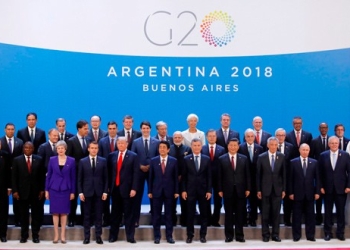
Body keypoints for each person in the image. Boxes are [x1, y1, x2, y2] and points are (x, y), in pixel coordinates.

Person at [218, 138, 251, 243]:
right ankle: (228, 235)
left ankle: (240, 235)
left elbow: (247, 175)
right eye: (231, 145)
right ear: (228, 146)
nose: (233, 147)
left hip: (241, 190)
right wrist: (220, 189)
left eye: (235, 145)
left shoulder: (244, 158)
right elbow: (219, 176)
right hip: (227, 191)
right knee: (228, 215)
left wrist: (248, 188)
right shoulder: (221, 159)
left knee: (240, 214)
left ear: (238, 146)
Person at [12, 142, 45, 243]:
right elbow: (14, 177)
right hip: (22, 192)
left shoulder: (39, 159)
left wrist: (42, 190)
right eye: (26, 148)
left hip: (35, 192)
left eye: (30, 148)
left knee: (36, 215)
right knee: (23, 215)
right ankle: (24, 236)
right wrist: (15, 191)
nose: (28, 149)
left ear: (33, 148)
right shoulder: (17, 160)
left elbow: (42, 177)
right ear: (23, 148)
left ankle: (35, 235)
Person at [108, 137, 139, 243]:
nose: (120, 145)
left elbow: (136, 174)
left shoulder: (133, 156)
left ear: (127, 144)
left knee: (129, 214)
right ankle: (113, 236)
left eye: (122, 143)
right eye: (119, 143)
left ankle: (130, 236)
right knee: (115, 214)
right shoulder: (111, 155)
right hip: (115, 189)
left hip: (128, 190)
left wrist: (134, 188)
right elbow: (109, 173)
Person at [319, 136, 350, 241]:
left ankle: (340, 233)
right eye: (332, 143)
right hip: (327, 189)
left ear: (339, 144)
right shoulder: (323, 155)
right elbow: (319, 173)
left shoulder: (345, 155)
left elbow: (349, 172)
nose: (334, 145)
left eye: (336, 143)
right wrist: (321, 187)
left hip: (341, 189)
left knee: (340, 212)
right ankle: (328, 233)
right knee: (328, 212)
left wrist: (348, 186)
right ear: (328, 144)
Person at [182, 138, 212, 243]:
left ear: (201, 146)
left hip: (203, 191)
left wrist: (209, 190)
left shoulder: (206, 159)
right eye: (194, 145)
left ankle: (203, 235)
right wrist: (184, 190)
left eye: (198, 145)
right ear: (191, 146)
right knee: (190, 214)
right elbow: (184, 177)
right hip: (190, 191)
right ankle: (190, 235)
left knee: (204, 214)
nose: (196, 147)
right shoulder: (186, 159)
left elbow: (209, 176)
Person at [45, 140, 76, 244]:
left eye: (62, 148)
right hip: (53, 189)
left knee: (63, 213)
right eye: (58, 148)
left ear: (65, 149)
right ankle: (56, 235)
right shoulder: (52, 160)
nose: (60, 150)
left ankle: (63, 235)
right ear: (56, 149)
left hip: (65, 190)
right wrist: (46, 190)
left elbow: (73, 177)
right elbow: (48, 176)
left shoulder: (71, 160)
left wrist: (72, 192)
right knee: (55, 212)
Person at [148, 141, 179, 244]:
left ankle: (169, 236)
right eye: (160, 147)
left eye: (164, 147)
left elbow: (175, 178)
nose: (162, 149)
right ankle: (157, 237)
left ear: (168, 149)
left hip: (169, 192)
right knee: (156, 215)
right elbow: (150, 178)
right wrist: (150, 191)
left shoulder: (174, 161)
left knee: (169, 215)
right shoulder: (153, 161)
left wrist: (176, 191)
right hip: (156, 192)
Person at [288, 143, 320, 242]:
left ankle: (310, 236)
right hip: (297, 194)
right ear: (300, 151)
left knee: (310, 217)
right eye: (303, 150)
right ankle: (296, 236)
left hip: (310, 194)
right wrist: (291, 192)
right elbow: (290, 179)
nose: (305, 152)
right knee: (296, 216)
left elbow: (318, 179)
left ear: (309, 151)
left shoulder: (314, 162)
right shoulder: (293, 162)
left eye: (307, 150)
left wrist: (317, 192)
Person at [257, 137, 286, 242]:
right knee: (265, 213)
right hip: (265, 189)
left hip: (277, 190)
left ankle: (275, 235)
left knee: (276, 214)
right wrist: (258, 190)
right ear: (268, 145)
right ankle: (265, 235)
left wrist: (284, 190)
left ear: (277, 146)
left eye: (275, 145)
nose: (273, 147)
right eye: (271, 145)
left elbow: (284, 175)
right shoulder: (261, 157)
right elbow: (258, 175)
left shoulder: (282, 157)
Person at [78, 141, 108, 245]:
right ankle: (87, 237)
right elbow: (79, 179)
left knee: (99, 216)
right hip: (86, 193)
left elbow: (106, 178)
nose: (94, 150)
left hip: (99, 192)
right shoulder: (82, 161)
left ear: (98, 149)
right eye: (92, 148)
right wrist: (80, 192)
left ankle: (98, 237)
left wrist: (105, 191)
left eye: (96, 148)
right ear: (88, 149)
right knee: (86, 216)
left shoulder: (103, 161)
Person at [131, 121, 159, 227]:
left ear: (150, 129)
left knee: (154, 195)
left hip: (153, 172)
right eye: (143, 128)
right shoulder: (136, 142)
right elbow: (133, 156)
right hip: (139, 172)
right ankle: (135, 220)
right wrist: (140, 166)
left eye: (147, 128)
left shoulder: (156, 142)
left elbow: (158, 157)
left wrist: (151, 166)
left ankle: (154, 219)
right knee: (137, 196)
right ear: (141, 129)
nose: (145, 130)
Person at [66, 120, 91, 227]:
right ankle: (72, 218)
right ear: (79, 129)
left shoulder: (89, 140)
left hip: (88, 175)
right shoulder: (71, 141)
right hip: (75, 174)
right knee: (74, 198)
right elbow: (69, 159)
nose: (87, 130)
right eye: (85, 128)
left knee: (86, 198)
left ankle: (85, 219)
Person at [238, 128, 264, 227]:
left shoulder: (260, 148)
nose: (250, 138)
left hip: (255, 178)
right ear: (245, 137)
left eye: (252, 136)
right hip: (243, 178)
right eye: (248, 136)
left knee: (254, 200)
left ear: (254, 137)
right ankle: (244, 219)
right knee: (243, 200)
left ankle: (253, 219)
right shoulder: (240, 147)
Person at [0, 123, 23, 227]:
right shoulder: (1, 142)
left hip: (17, 173)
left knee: (17, 197)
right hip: (4, 174)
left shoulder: (20, 142)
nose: (10, 131)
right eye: (8, 129)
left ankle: (17, 219)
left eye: (12, 129)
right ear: (5, 130)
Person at [201, 129, 225, 227]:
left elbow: (223, 164)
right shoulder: (202, 148)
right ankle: (207, 220)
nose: (212, 138)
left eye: (213, 136)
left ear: (216, 137)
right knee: (206, 200)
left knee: (218, 201)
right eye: (210, 136)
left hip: (218, 178)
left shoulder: (222, 149)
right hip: (205, 178)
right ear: (206, 138)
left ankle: (215, 220)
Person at [169, 131, 192, 226]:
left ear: (182, 138)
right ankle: (172, 221)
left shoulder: (188, 149)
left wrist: (182, 175)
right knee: (171, 202)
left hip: (184, 178)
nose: (177, 139)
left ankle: (184, 221)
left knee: (185, 201)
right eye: (175, 137)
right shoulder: (169, 149)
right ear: (173, 139)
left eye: (179, 137)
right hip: (171, 178)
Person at [98, 120, 118, 226]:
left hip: (118, 174)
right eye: (110, 129)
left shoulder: (121, 140)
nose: (112, 130)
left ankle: (117, 220)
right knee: (104, 199)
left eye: (114, 128)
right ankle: (106, 219)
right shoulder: (102, 141)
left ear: (117, 129)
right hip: (105, 174)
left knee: (117, 199)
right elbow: (100, 158)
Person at [310, 122, 329, 225]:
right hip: (318, 173)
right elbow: (311, 156)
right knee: (318, 197)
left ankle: (327, 218)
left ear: (328, 129)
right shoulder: (314, 141)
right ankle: (318, 218)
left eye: (325, 127)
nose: (323, 129)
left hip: (330, 174)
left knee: (328, 198)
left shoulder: (332, 140)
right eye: (322, 128)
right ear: (319, 129)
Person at [275, 128, 295, 226]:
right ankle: (274, 221)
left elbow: (293, 162)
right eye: (278, 135)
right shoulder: (272, 146)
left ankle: (287, 220)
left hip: (288, 177)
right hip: (275, 178)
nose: (280, 137)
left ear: (285, 136)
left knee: (288, 200)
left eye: (282, 135)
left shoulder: (290, 147)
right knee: (275, 201)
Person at [0, 142, 11, 242]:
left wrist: (9, 187)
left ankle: (3, 234)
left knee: (3, 212)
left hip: (3, 188)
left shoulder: (5, 155)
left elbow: (9, 172)